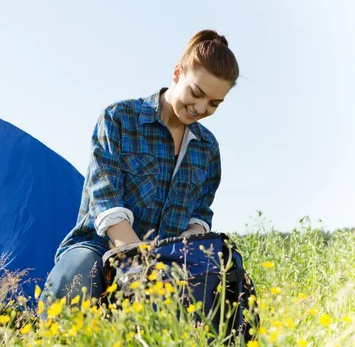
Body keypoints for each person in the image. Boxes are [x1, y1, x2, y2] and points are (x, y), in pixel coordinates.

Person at [41, 29, 240, 304]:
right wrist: (137, 265)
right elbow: (106, 200)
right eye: (196, 93)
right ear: (177, 73)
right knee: (73, 277)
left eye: (214, 103)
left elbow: (200, 215)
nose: (200, 107)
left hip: (166, 261)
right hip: (101, 247)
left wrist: (182, 252)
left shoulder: (208, 148)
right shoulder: (118, 118)